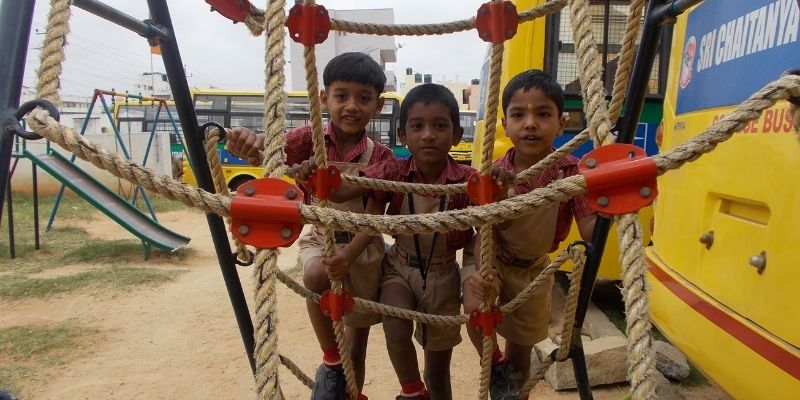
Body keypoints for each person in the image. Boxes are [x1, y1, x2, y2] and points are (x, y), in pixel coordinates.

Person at [226, 52, 393, 400]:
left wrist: (350, 254)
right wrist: (248, 140)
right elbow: (267, 149)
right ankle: (330, 361)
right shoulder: (308, 139)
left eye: (363, 98)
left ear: (377, 106)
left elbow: (376, 213)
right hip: (321, 237)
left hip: (362, 248)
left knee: (356, 344)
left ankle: (351, 390)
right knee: (316, 275)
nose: (351, 106)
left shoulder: (381, 156)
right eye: (341, 95)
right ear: (323, 98)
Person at [460, 70, 596, 400]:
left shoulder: (571, 172)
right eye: (519, 115)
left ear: (561, 124)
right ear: (505, 125)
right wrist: (484, 270)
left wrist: (612, 199)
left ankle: (511, 387)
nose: (530, 124)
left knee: (520, 355)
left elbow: (590, 230)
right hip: (492, 259)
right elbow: (485, 230)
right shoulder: (495, 174)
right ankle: (496, 366)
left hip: (534, 270)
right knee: (476, 312)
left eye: (543, 114)